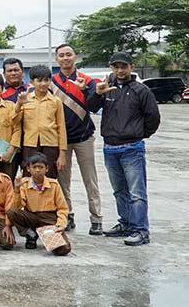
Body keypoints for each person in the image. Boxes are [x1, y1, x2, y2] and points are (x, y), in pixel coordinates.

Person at [86, 52, 160, 246]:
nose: (119, 70)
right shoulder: (107, 89)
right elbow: (91, 107)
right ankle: (126, 223)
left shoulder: (141, 90)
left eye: (123, 66)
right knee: (119, 191)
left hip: (132, 148)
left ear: (131, 67)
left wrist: (138, 134)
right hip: (110, 148)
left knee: (137, 192)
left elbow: (153, 117)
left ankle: (141, 231)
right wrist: (98, 93)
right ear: (112, 68)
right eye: (116, 66)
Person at [53, 43, 103, 235]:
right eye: (61, 55)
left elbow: (93, 106)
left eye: (69, 55)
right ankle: (67, 215)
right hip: (61, 141)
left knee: (90, 179)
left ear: (75, 57)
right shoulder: (52, 82)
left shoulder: (87, 81)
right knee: (62, 181)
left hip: (84, 138)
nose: (65, 58)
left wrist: (85, 91)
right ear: (57, 59)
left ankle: (96, 218)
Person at [7, 152, 71, 255]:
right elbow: (17, 207)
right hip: (31, 217)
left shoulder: (54, 184)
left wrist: (60, 224)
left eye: (40, 167)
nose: (37, 170)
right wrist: (17, 190)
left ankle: (44, 235)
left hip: (49, 220)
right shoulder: (24, 184)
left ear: (47, 168)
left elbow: (62, 208)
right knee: (12, 211)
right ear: (28, 169)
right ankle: (30, 234)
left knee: (63, 250)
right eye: (34, 167)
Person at [16, 65, 67, 180]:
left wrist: (62, 154)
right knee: (28, 177)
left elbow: (61, 127)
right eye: (39, 80)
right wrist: (19, 104)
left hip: (50, 144)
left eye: (46, 80)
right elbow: (14, 120)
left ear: (50, 81)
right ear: (32, 82)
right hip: (30, 144)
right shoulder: (25, 99)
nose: (43, 84)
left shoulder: (56, 101)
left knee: (49, 177)